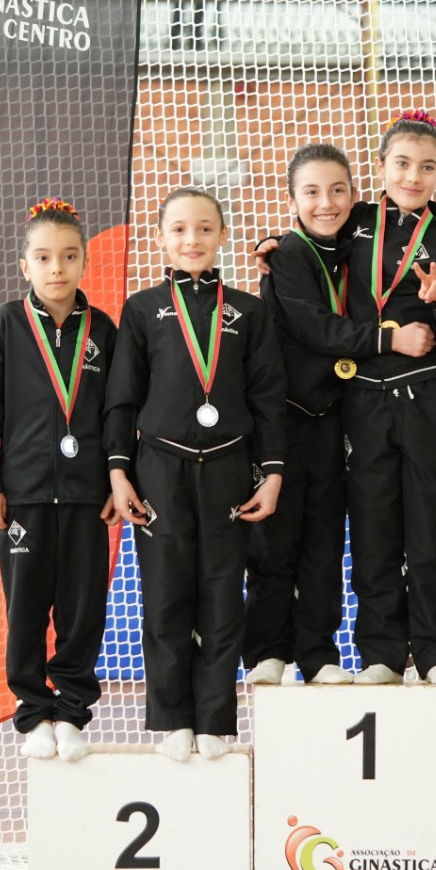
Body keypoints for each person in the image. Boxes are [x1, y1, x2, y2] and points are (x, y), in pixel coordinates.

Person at [243, 143, 435, 687]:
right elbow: (313, 326)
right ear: (292, 200)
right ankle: (268, 651)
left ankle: (318, 654)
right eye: (311, 192)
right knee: (275, 541)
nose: (325, 203)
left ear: (354, 195)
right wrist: (389, 339)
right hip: (283, 418)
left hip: (336, 416)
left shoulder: (357, 244)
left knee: (325, 542)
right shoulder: (288, 255)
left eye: (337, 191)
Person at [105, 187, 286, 761]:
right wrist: (119, 472)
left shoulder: (248, 312)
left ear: (222, 236)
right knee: (164, 598)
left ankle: (213, 718)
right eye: (180, 229)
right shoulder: (141, 310)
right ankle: (172, 718)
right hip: (160, 470)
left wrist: (273, 473)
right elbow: (122, 399)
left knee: (222, 598)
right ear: (161, 238)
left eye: (205, 228)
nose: (192, 239)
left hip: (230, 467)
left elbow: (268, 398)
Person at [342, 109, 436, 686]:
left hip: (431, 400)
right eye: (402, 163)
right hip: (363, 399)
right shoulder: (353, 226)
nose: (413, 176)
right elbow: (312, 257)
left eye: (427, 166)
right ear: (381, 166)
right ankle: (380, 654)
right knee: (374, 534)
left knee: (432, 535)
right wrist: (276, 248)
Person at [0, 197, 121, 762]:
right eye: (44, 257)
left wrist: (115, 479)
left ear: (84, 262)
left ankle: (72, 711)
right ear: (24, 265)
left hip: (87, 496)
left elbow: (117, 414)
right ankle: (33, 712)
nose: (57, 268)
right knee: (26, 610)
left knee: (82, 611)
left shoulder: (103, 330)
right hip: (23, 496)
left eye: (69, 256)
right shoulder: (7, 325)